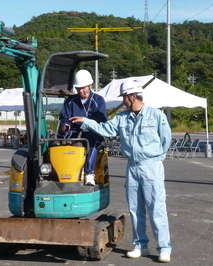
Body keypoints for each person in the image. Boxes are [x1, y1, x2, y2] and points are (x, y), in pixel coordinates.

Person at [69, 79, 172, 263]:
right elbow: (105, 129)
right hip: (132, 166)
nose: (123, 100)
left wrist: (156, 160)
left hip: (152, 166)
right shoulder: (122, 118)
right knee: (135, 209)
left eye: (124, 97)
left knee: (157, 208)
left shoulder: (156, 115)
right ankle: (141, 246)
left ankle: (164, 248)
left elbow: (166, 140)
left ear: (132, 96)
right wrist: (85, 121)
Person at [59, 69, 107, 186]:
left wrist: (85, 121)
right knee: (60, 141)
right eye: (78, 88)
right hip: (74, 130)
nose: (81, 90)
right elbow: (64, 117)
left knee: (92, 140)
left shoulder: (98, 100)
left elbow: (101, 121)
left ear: (90, 85)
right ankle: (62, 172)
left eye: (83, 88)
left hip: (92, 131)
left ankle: (89, 173)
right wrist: (64, 125)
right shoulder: (70, 101)